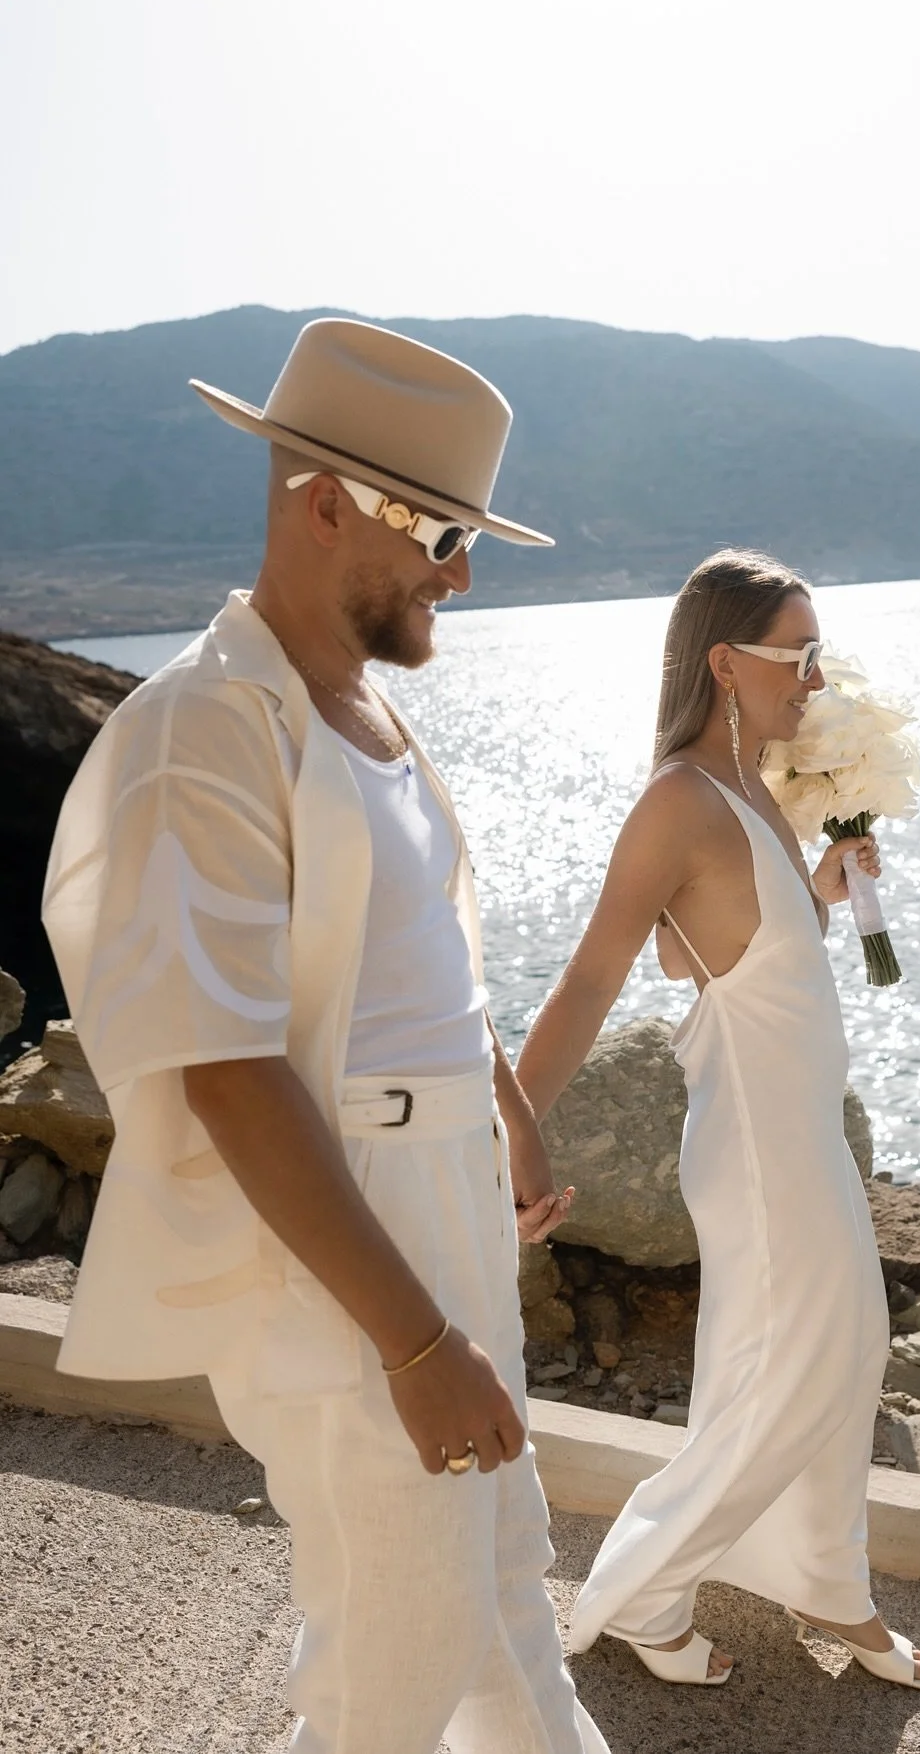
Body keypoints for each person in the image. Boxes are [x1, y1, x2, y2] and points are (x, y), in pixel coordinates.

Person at [43, 318, 609, 1754]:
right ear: (323, 504)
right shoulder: (207, 729)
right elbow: (228, 1068)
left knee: (497, 1582)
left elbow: (421, 966)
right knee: (392, 1652)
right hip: (347, 1239)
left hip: (447, 1200)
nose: (460, 575)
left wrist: (505, 1116)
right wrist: (417, 1343)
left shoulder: (357, 712)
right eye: (439, 536)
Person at [517, 550, 920, 1692]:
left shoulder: (756, 787)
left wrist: (824, 892)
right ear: (722, 660)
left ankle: (824, 1585)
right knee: (808, 1361)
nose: (815, 674)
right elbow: (593, 978)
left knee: (826, 1361)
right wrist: (515, 1134)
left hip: (789, 1133)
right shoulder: (677, 800)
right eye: (795, 652)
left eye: (817, 650)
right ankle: (651, 1589)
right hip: (759, 1146)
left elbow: (725, 946)